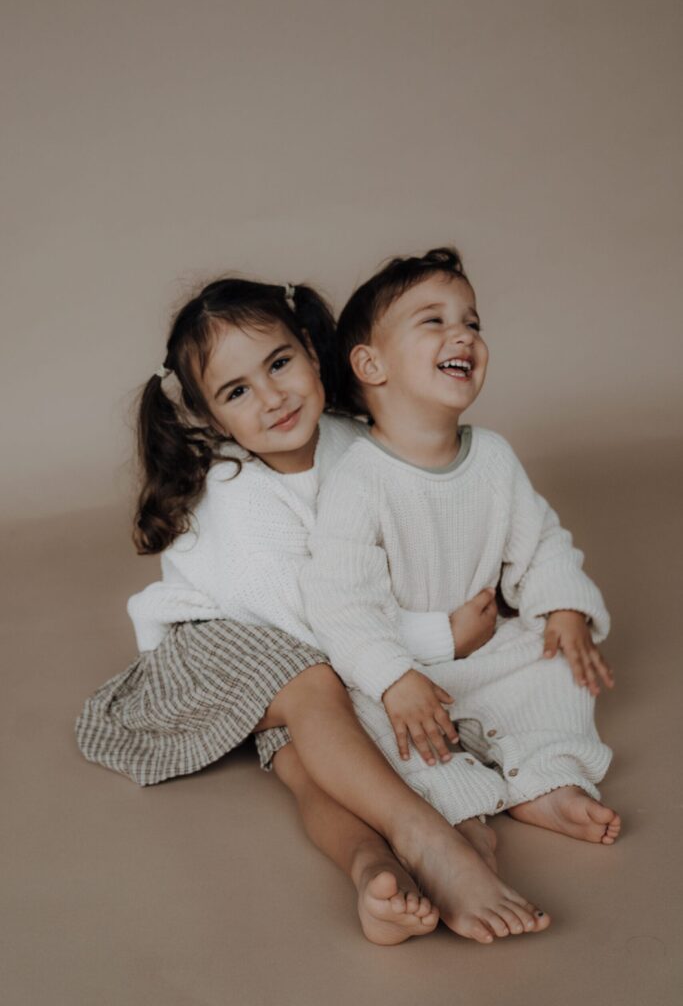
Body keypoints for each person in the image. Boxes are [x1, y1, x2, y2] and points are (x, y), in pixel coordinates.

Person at [76, 276, 550, 945]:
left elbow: (405, 544)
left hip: (319, 653)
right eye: (237, 392)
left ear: (308, 347)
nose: (272, 397)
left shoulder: (355, 442)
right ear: (212, 419)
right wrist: (439, 636)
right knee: (319, 685)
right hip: (220, 648)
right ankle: (427, 835)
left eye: (279, 364)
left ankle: (374, 872)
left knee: (312, 764)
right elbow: (311, 620)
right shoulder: (236, 492)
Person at [302, 247, 621, 847]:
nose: (463, 335)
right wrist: (394, 677)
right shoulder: (359, 480)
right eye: (434, 320)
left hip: (487, 651)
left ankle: (548, 781)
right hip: (405, 665)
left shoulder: (493, 456)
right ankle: (457, 805)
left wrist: (564, 608)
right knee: (363, 718)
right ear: (371, 364)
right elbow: (341, 603)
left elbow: (540, 541)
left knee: (554, 664)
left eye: (472, 322)